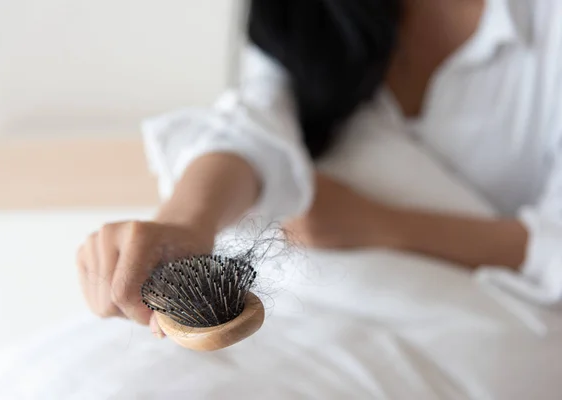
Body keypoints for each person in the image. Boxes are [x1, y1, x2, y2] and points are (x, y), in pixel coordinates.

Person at [76, 0, 562, 338]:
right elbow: (255, 125)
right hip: (304, 307)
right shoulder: (303, 13)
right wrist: (185, 221)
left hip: (479, 318)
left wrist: (379, 224)